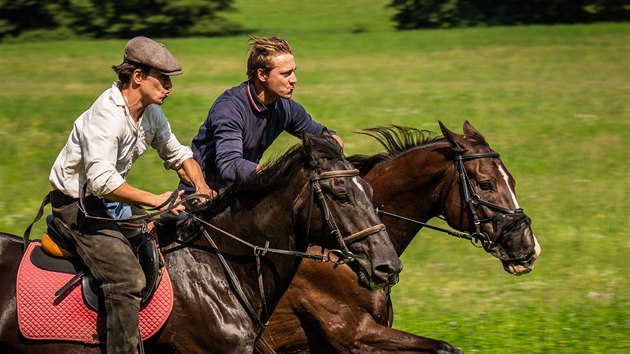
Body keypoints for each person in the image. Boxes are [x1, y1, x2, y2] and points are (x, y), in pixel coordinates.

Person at [48, 36, 214, 353]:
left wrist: (202, 187)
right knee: (126, 281)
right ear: (137, 76)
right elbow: (100, 181)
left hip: (108, 202)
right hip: (76, 206)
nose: (169, 86)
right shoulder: (107, 115)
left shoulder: (149, 112)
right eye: (162, 78)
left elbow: (178, 155)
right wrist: (157, 200)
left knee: (169, 242)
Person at [182, 36, 343, 191]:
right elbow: (229, 165)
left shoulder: (287, 108)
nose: (294, 79)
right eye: (286, 73)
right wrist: (280, 175)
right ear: (262, 75)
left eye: (294, 71)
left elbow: (329, 138)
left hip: (241, 191)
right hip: (203, 194)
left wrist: (335, 151)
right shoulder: (230, 108)